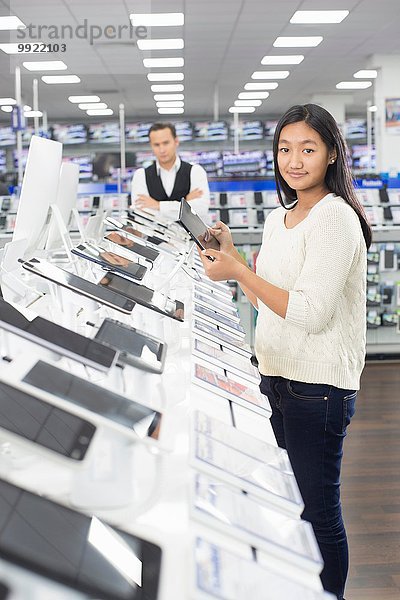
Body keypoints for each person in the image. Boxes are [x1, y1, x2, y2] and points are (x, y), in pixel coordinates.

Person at [199, 103, 371, 600]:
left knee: (317, 511)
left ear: (333, 154)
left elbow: (309, 312)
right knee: (291, 508)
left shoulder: (336, 219)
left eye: (308, 149)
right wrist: (234, 261)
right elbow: (267, 302)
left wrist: (238, 272)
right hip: (275, 379)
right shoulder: (280, 218)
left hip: (317, 390)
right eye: (285, 149)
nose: (294, 160)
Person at [131, 122, 210, 221]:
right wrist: (185, 203)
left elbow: (201, 210)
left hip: (189, 237)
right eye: (156, 145)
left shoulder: (195, 172)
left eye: (166, 143)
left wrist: (158, 205)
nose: (162, 149)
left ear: (176, 141)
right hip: (154, 237)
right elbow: (142, 216)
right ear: (151, 145)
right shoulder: (141, 175)